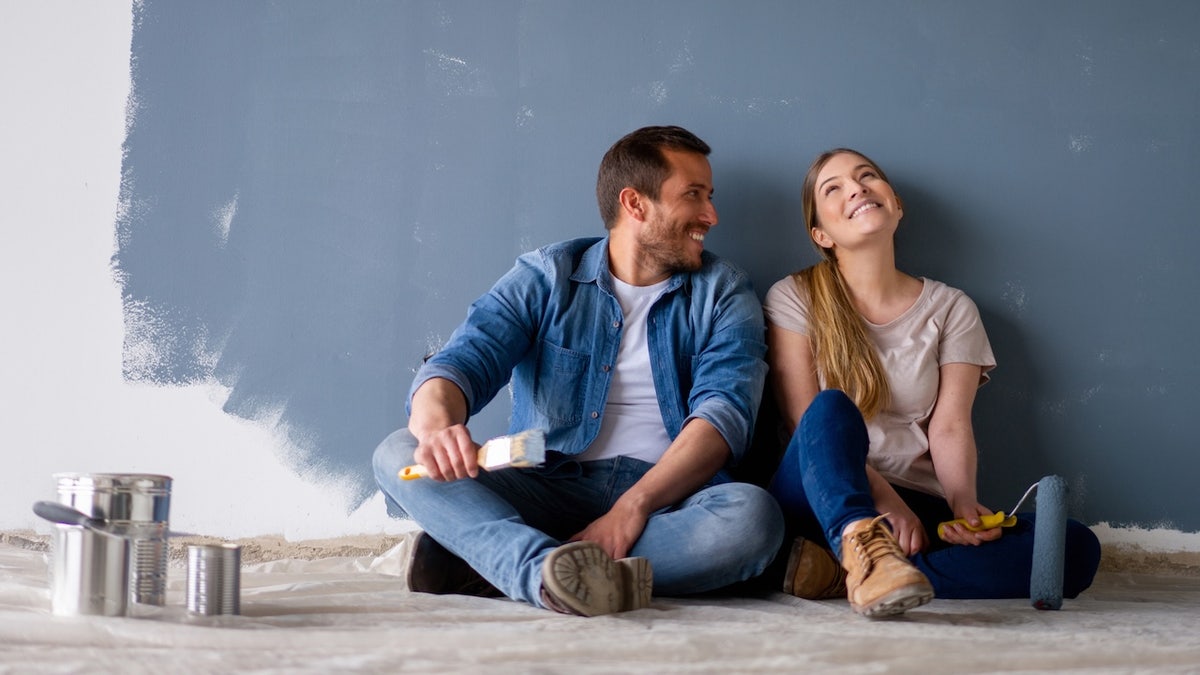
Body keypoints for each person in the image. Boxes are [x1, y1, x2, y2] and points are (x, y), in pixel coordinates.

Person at [372, 125, 784, 617]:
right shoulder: (547, 275)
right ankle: (544, 574)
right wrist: (437, 426)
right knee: (398, 452)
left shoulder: (725, 291)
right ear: (635, 204)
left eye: (709, 196)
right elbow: (464, 359)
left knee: (752, 521)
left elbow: (724, 417)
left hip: (670, 499)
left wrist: (632, 507)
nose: (711, 215)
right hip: (543, 479)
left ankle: (490, 564)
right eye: (693, 196)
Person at [762, 148, 1101, 618]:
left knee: (1074, 547)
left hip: (919, 509)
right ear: (821, 234)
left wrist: (963, 506)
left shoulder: (951, 308)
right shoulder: (794, 296)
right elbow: (803, 419)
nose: (857, 188)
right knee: (831, 408)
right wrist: (881, 501)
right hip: (824, 500)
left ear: (895, 204)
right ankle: (866, 551)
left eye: (867, 177)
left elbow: (950, 426)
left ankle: (847, 575)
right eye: (833, 188)